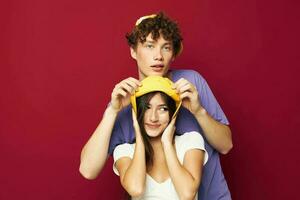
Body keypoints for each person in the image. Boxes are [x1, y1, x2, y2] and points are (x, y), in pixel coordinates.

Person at [79, 12, 233, 199]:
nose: (158, 56)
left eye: (166, 47)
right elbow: (88, 170)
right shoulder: (124, 101)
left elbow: (226, 145)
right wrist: (112, 111)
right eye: (150, 46)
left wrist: (199, 111)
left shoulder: (191, 82)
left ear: (173, 54)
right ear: (134, 51)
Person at [113, 76, 208, 200]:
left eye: (163, 109)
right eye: (147, 108)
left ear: (173, 113)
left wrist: (167, 143)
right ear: (136, 111)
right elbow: (135, 189)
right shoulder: (124, 151)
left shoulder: (191, 141)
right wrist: (139, 133)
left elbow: (187, 194)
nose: (153, 117)